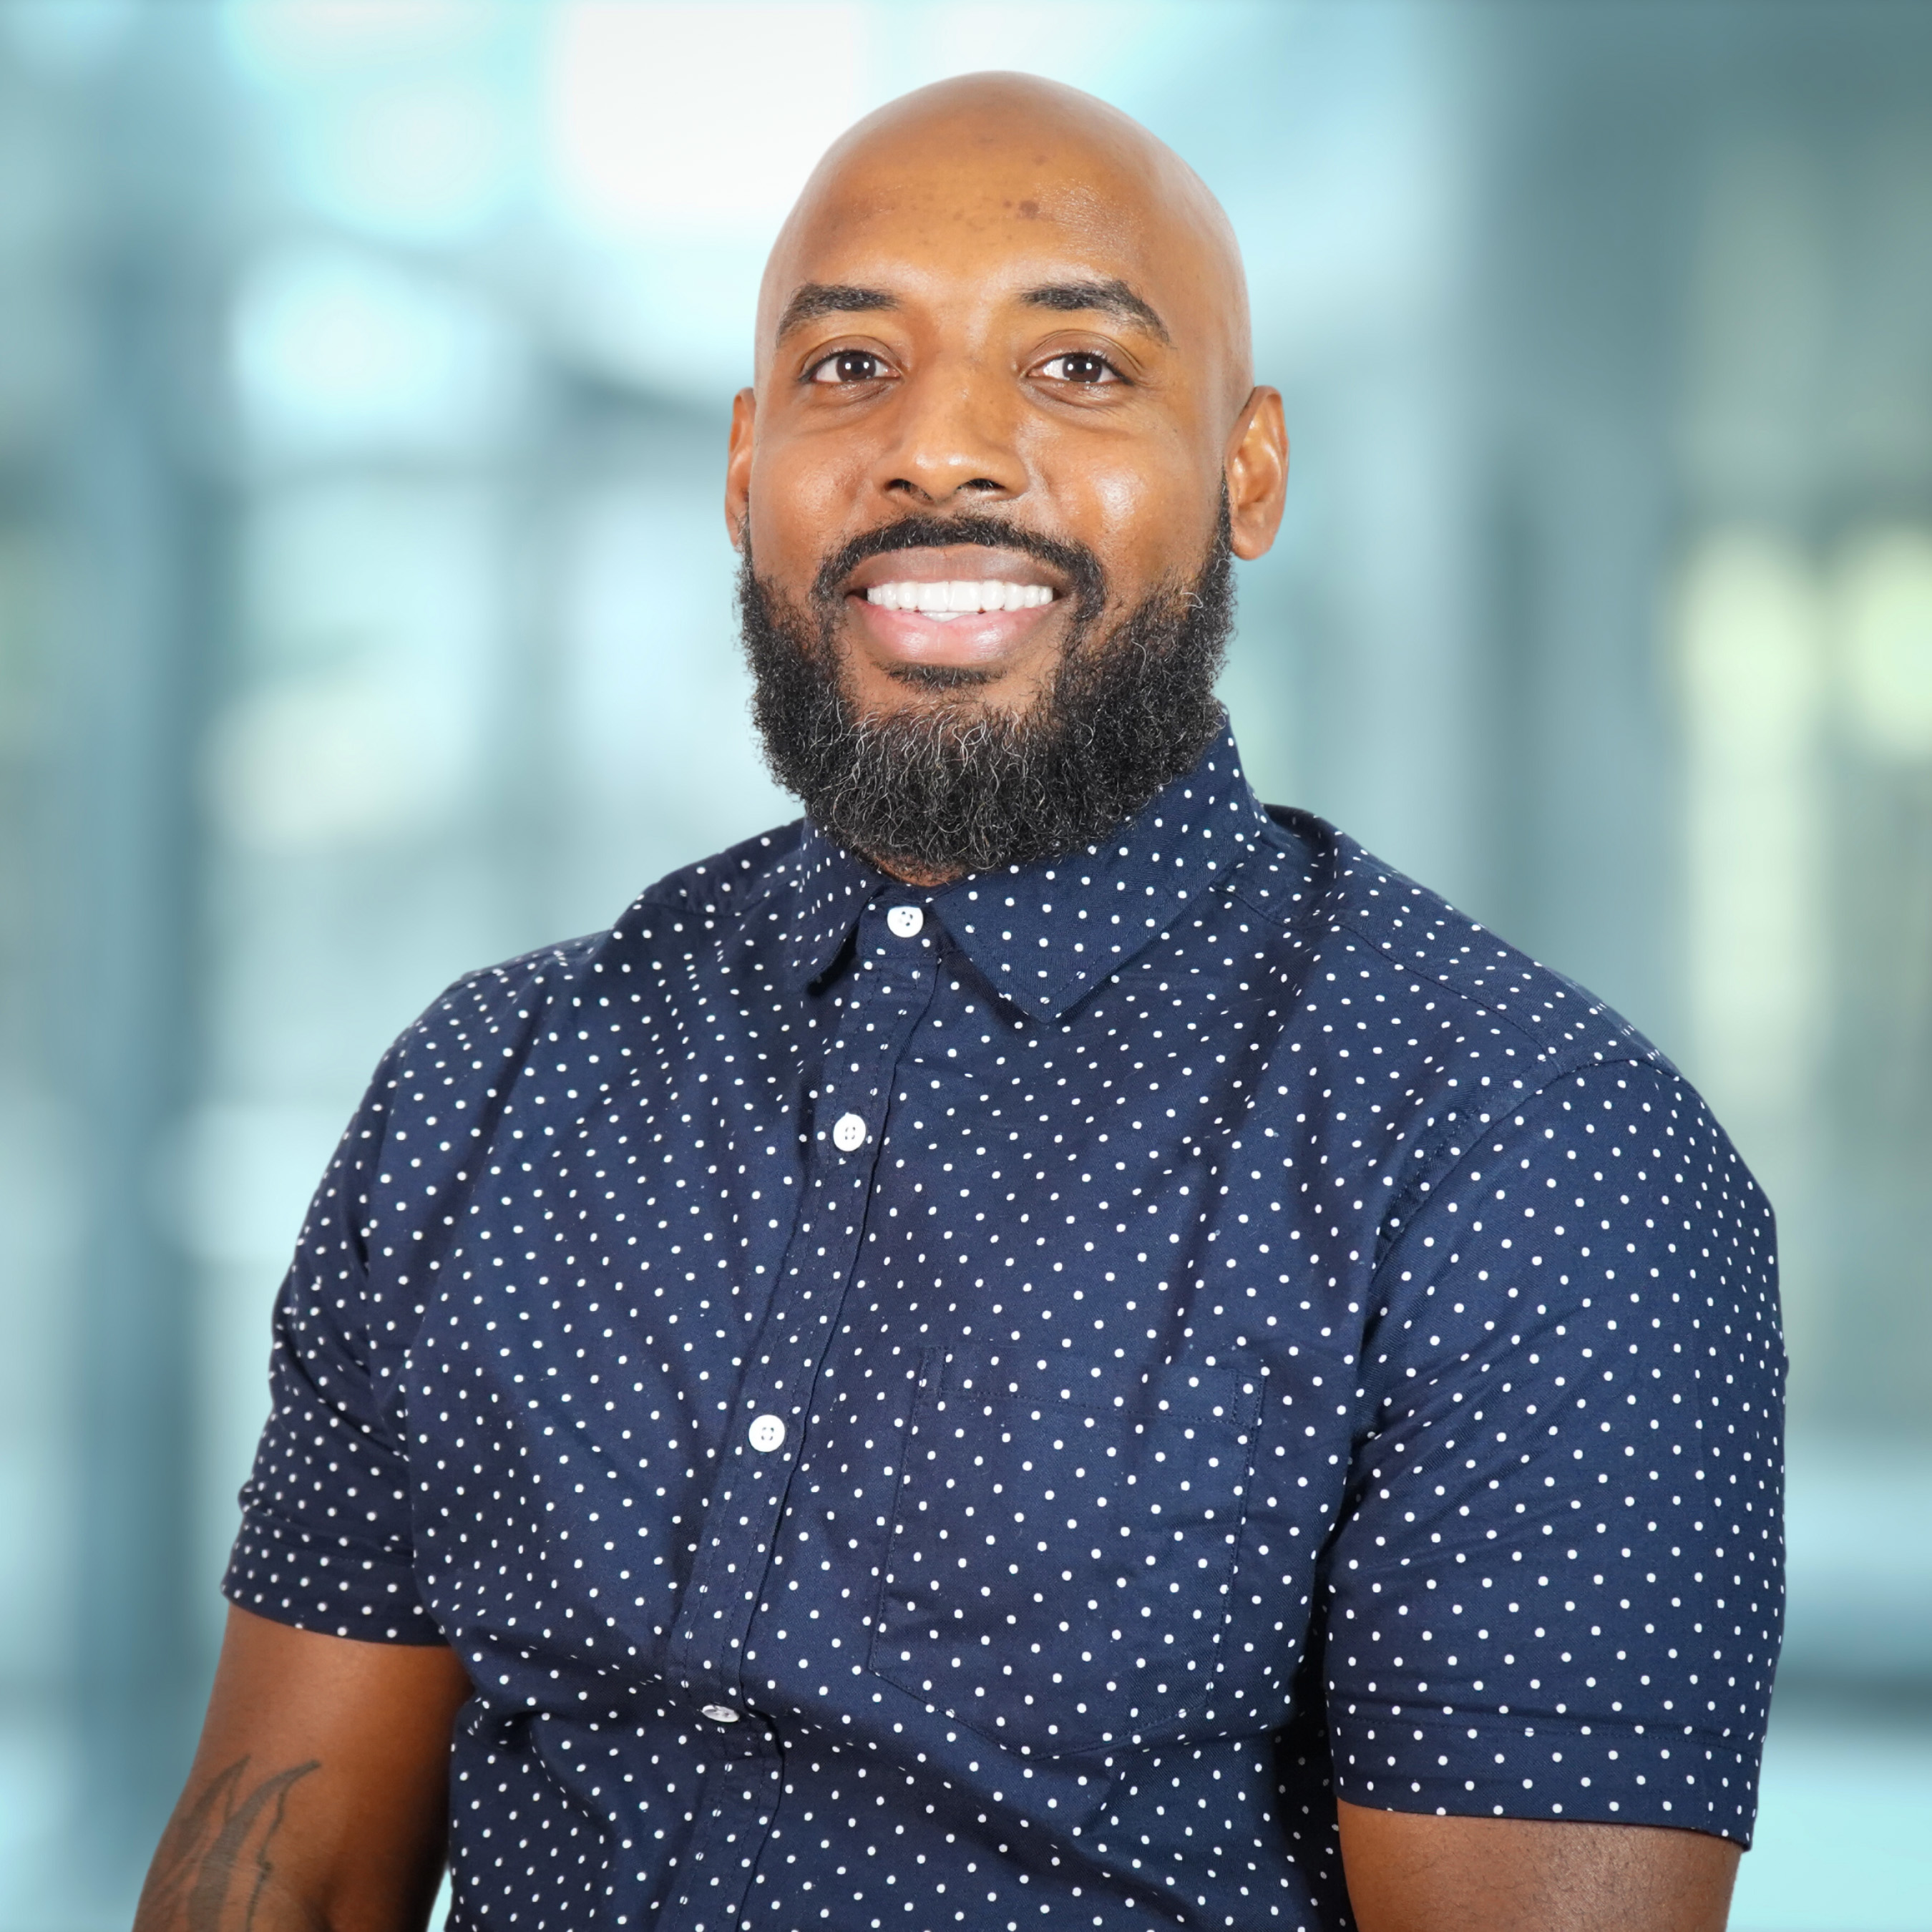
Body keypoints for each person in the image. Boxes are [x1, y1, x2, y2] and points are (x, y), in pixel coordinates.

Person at [135, 72, 1784, 1932]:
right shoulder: (488, 1082)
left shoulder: (1536, 1151)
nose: (940, 451)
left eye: (1078, 366)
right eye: (852, 367)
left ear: (1246, 472)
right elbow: (288, 1862)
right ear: (746, 464)